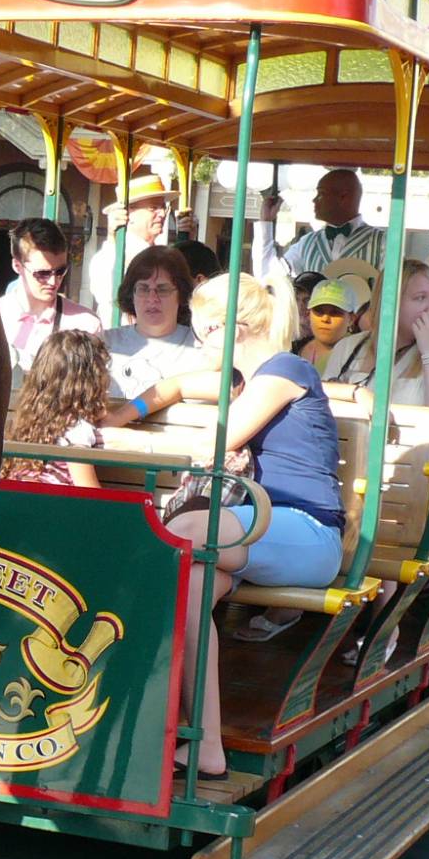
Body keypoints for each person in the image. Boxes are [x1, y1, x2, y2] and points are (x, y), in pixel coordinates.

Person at [106, 271, 343, 775]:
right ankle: (204, 745)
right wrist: (114, 421)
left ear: (230, 329)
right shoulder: (242, 381)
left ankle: (121, 684)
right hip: (259, 529)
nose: (197, 340)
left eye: (204, 329)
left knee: (183, 531)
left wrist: (125, 447)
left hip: (307, 530)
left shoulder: (284, 371)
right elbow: (170, 387)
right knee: (190, 587)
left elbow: (217, 442)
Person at [323, 260, 429, 534]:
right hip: (353, 474)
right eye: (419, 298)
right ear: (391, 303)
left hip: (424, 481)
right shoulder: (349, 347)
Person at [2, 330, 113, 488]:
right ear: (90, 382)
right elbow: (89, 491)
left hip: (20, 501)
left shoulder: (31, 418)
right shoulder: (77, 429)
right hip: (54, 507)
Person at [0, 217, 99, 382]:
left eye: (60, 271)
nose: (53, 281)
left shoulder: (85, 324)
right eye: (42, 273)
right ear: (17, 266)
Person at [101, 245, 207, 402]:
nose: (152, 299)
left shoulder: (203, 348)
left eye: (162, 289)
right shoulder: (105, 344)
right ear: (131, 294)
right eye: (143, 289)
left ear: (182, 294)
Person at [88, 171, 186, 316]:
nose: (162, 214)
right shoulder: (110, 255)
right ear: (129, 214)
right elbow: (109, 294)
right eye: (153, 208)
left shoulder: (163, 253)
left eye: (163, 208)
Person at [253, 169, 384, 276]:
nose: (314, 200)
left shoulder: (382, 243)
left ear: (344, 197)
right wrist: (266, 222)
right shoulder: (308, 243)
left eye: (321, 193)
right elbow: (268, 275)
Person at [296, 278, 358, 371]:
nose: (325, 319)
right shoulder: (295, 349)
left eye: (335, 312)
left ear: (351, 319)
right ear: (309, 313)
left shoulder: (359, 356)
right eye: (319, 311)